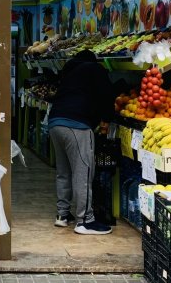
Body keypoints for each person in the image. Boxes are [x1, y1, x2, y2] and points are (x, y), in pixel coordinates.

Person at [48, 49, 116, 235]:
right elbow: (106, 96)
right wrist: (106, 119)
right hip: (76, 125)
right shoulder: (95, 69)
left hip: (55, 122)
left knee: (64, 171)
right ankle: (85, 220)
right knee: (83, 172)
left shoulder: (69, 72)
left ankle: (62, 215)